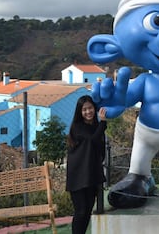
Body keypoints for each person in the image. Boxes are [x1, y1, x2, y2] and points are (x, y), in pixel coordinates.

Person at [66, 95, 107, 234]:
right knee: (81, 210)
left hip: (90, 174)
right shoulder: (78, 127)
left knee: (88, 209)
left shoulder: (95, 126)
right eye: (84, 109)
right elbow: (93, 140)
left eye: (90, 108)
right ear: (80, 112)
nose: (88, 112)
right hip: (78, 175)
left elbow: (99, 147)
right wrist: (103, 123)